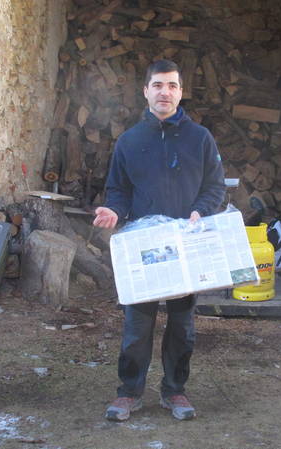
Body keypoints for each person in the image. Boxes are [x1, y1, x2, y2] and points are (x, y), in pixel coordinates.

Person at [93, 59, 225, 421]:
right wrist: (114, 211)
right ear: (146, 91)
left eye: (172, 85)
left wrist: (200, 211)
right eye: (158, 85)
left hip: (187, 245)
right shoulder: (129, 141)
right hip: (144, 248)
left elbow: (215, 187)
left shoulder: (200, 138)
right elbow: (118, 191)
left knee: (182, 327)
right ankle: (129, 393)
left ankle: (175, 391)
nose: (165, 92)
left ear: (181, 92)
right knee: (137, 326)